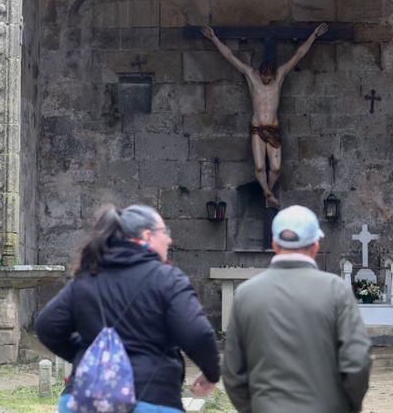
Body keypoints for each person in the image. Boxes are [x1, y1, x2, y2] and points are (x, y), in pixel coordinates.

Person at [36, 205, 220, 413]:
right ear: (147, 235)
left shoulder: (87, 278)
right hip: (148, 400)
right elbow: (197, 333)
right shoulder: (168, 279)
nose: (169, 240)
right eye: (165, 232)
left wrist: (87, 354)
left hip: (84, 399)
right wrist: (211, 373)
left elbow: (47, 326)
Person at [222, 205, 372, 413]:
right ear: (315, 246)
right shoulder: (335, 290)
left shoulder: (246, 294)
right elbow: (357, 361)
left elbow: (232, 371)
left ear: (274, 244)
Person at [202, 24, 328, 208]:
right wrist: (214, 38)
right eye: (264, 77)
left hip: (273, 128)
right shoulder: (252, 77)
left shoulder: (280, 76)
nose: (266, 80)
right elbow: (230, 56)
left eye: (269, 78)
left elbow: (299, 55)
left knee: (276, 168)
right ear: (259, 73)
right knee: (260, 167)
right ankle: (268, 194)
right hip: (257, 127)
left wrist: (314, 35)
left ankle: (267, 192)